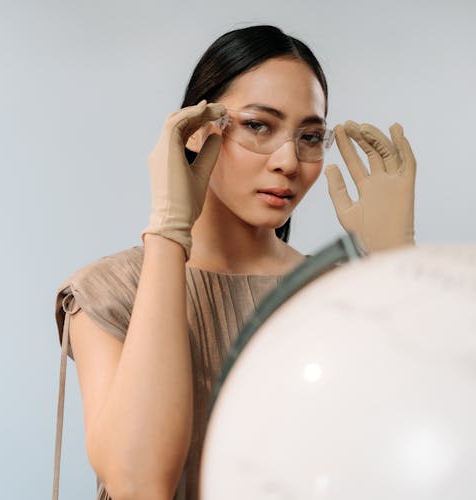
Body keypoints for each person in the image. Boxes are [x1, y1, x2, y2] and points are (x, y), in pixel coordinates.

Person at [53, 25, 416, 500]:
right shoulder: (107, 292)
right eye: (258, 125)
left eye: (309, 135)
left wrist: (396, 278)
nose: (289, 160)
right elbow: (140, 484)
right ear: (198, 129)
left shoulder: (338, 294)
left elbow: (401, 454)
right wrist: (167, 231)